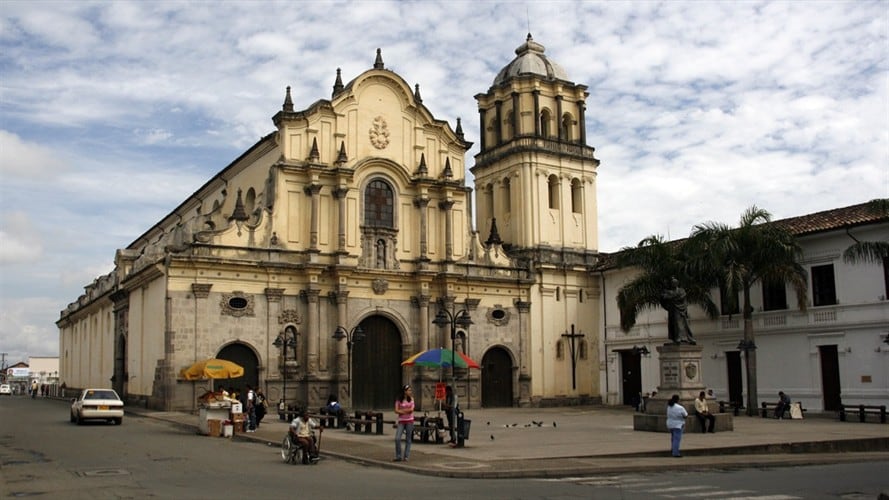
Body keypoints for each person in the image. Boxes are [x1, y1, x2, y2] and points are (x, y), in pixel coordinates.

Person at [660, 277, 696, 344]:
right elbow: (664, 297)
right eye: (672, 283)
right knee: (675, 324)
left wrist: (672, 298)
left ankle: (687, 338)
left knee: (684, 324)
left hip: (681, 309)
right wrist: (671, 298)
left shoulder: (681, 290)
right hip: (673, 310)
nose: (674, 284)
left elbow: (682, 297)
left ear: (677, 283)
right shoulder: (669, 291)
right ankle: (677, 337)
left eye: (675, 283)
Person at [393, 384, 415, 462]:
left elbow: (411, 410)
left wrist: (402, 411)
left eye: (410, 390)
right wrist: (406, 411)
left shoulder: (411, 399)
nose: (410, 392)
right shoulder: (399, 400)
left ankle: (406, 456)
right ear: (405, 391)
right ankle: (398, 455)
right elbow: (396, 410)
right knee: (397, 438)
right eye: (409, 390)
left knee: (408, 439)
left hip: (409, 420)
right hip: (401, 421)